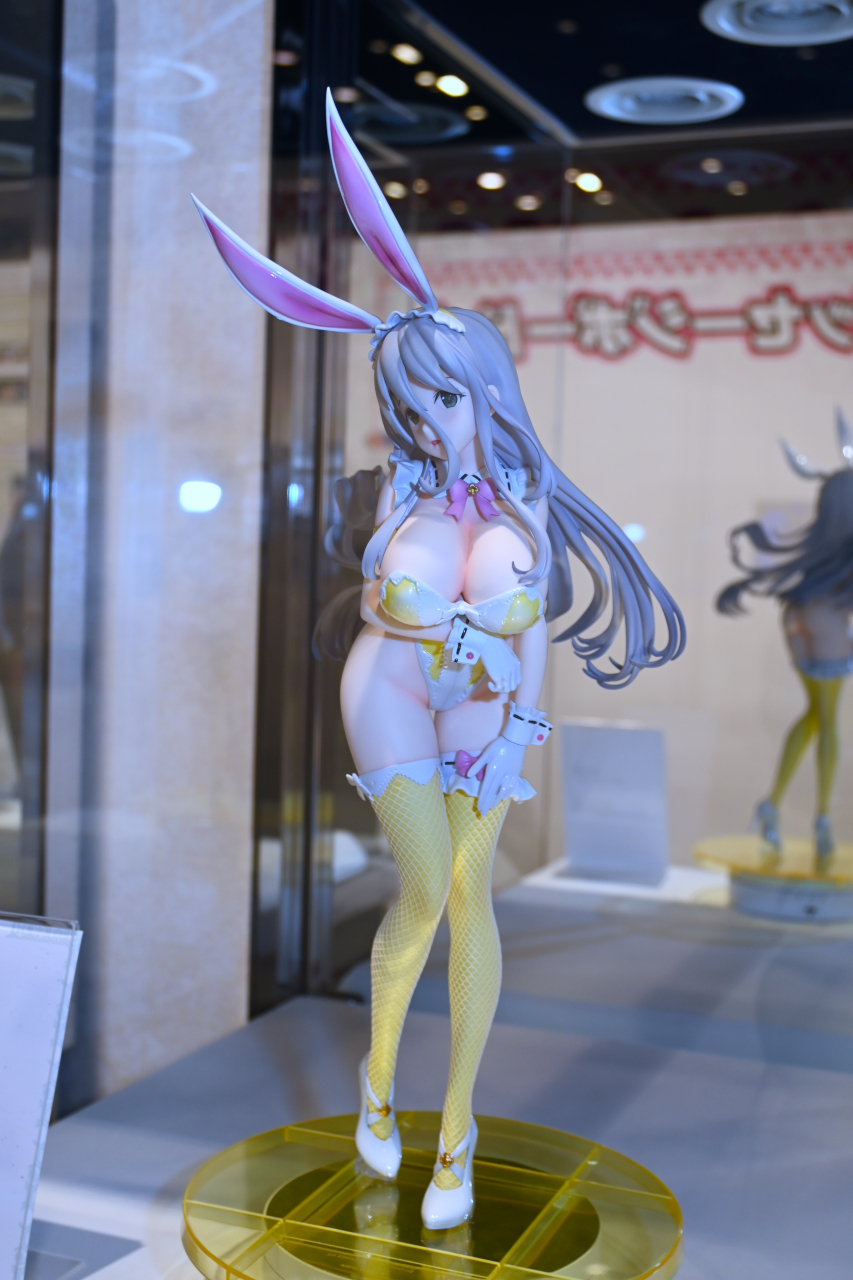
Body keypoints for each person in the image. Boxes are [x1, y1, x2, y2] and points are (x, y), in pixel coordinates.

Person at [193, 92, 685, 1231]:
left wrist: (522, 727)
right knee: (424, 885)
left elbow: (533, 627)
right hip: (388, 687)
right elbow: (380, 602)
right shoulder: (396, 495)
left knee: (471, 896)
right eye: (409, 406)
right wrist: (414, 600)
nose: (425, 422)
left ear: (486, 389)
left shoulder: (526, 501)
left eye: (443, 400)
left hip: (487, 703)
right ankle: (378, 1083)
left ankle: (452, 1129)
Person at [717, 417, 853, 872]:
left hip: (798, 622)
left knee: (814, 714)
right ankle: (822, 819)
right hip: (828, 626)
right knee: (828, 721)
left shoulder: (822, 548)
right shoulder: (842, 551)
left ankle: (772, 804)